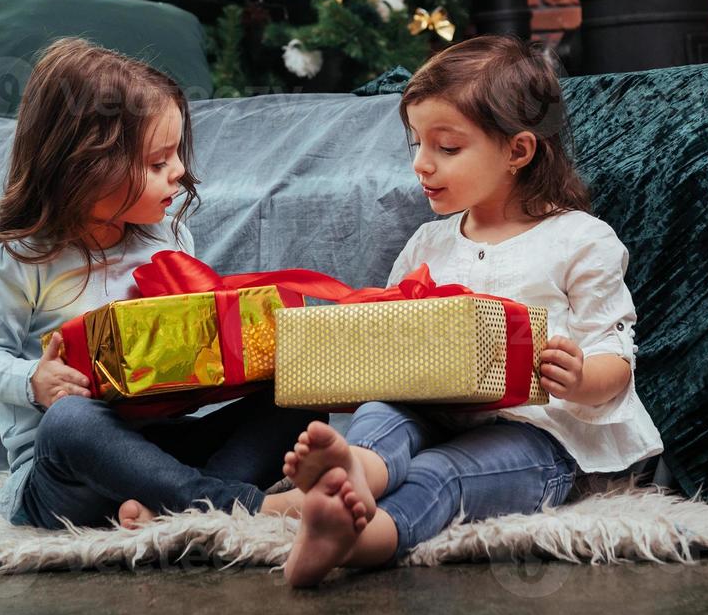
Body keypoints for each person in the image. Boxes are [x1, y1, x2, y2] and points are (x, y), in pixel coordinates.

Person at [281, 34, 666, 586]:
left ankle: (360, 536)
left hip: (540, 435)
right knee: (383, 415)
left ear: (518, 151)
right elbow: (393, 338)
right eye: (416, 143)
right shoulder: (427, 244)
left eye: (447, 147)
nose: (421, 164)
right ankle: (356, 471)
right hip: (435, 413)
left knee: (443, 473)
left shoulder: (580, 241)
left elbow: (616, 360)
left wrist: (579, 376)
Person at [0, 38, 310, 530]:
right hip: (65, 472)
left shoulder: (169, 237)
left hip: (156, 447)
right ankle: (233, 504)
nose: (179, 171)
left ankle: (169, 506)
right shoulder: (16, 264)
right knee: (70, 422)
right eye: (157, 162)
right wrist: (32, 382)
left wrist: (239, 350)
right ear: (84, 169)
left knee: (291, 395)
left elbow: (194, 344)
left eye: (175, 155)